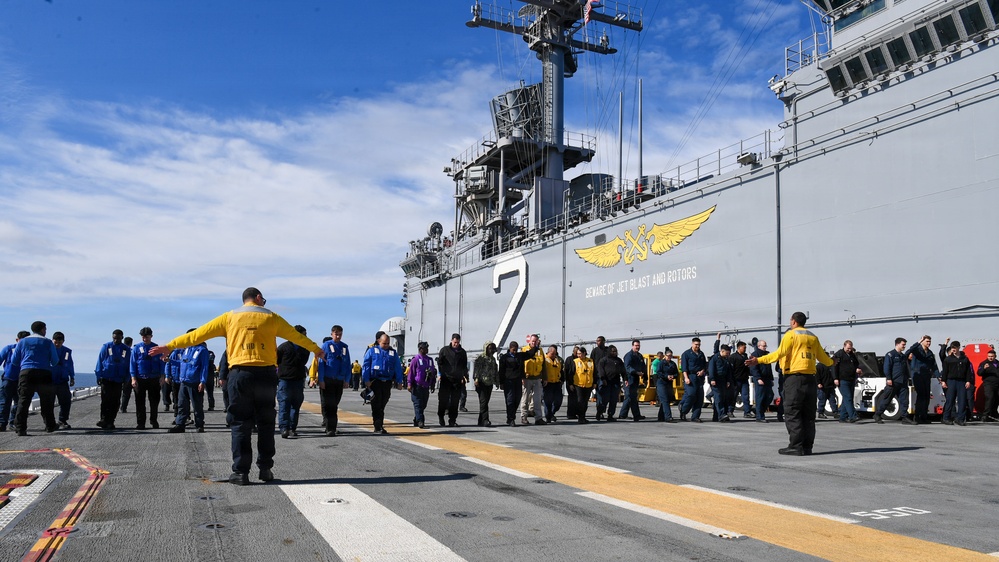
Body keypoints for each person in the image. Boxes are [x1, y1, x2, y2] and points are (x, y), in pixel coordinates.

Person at [149, 287, 323, 486]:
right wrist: (316, 349)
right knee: (266, 422)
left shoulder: (229, 317)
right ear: (258, 298)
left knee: (240, 423)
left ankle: (240, 472)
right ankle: (265, 469)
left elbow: (197, 335)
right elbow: (295, 336)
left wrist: (169, 346)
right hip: (266, 375)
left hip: (240, 375)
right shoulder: (272, 317)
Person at [746, 312, 833, 456]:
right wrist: (832, 362)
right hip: (810, 380)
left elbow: (779, 354)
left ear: (793, 322)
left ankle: (796, 446)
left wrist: (758, 360)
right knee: (808, 415)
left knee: (793, 412)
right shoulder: (813, 337)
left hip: (794, 379)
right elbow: (824, 358)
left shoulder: (790, 335)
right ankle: (807, 447)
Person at [10, 321, 59, 436]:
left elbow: (14, 361)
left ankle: (21, 428)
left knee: (23, 400)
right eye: (45, 329)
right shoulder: (48, 342)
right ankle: (50, 425)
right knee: (46, 401)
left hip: (26, 372)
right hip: (44, 373)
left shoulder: (23, 341)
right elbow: (55, 361)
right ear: (42, 330)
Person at [168, 333, 210, 433]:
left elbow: (204, 366)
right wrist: (170, 361)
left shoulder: (202, 350)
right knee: (182, 404)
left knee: (197, 405)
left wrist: (202, 381)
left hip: (195, 382)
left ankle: (199, 425)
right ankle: (180, 424)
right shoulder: (187, 349)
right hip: (184, 382)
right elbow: (183, 363)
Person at [362, 333, 403, 434]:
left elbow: (398, 367)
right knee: (376, 404)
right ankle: (378, 426)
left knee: (382, 404)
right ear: (379, 341)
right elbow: (366, 365)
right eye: (384, 343)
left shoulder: (393, 353)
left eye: (388, 343)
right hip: (375, 381)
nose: (386, 345)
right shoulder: (372, 351)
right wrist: (366, 379)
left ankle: (379, 424)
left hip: (387, 382)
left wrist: (399, 381)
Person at [275, 325, 310, 438]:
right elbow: (276, 360)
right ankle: (284, 428)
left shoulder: (305, 349)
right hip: (285, 380)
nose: (305, 337)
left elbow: (304, 361)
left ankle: (292, 428)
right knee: (284, 404)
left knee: (296, 405)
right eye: (303, 335)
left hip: (298, 381)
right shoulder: (283, 347)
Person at [318, 326, 351, 436]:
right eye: (336, 334)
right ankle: (330, 428)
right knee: (329, 405)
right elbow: (321, 364)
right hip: (328, 380)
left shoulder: (344, 347)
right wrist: (321, 380)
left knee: (335, 404)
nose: (338, 336)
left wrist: (347, 379)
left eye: (340, 334)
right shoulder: (326, 346)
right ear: (332, 334)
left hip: (339, 380)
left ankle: (332, 427)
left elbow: (347, 364)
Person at [130, 327, 165, 430]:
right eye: (143, 337)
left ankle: (154, 420)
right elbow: (133, 364)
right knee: (140, 402)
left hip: (154, 378)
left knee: (154, 402)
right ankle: (141, 423)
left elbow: (161, 363)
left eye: (147, 337)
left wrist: (162, 376)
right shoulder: (136, 348)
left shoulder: (156, 348)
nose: (145, 339)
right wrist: (133, 378)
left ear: (151, 336)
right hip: (140, 378)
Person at [95, 329, 130, 431]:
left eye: (118, 338)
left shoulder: (126, 349)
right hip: (106, 378)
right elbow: (100, 361)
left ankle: (111, 421)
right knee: (105, 400)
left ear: (122, 338)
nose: (116, 340)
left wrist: (127, 378)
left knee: (115, 401)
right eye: (114, 338)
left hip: (118, 380)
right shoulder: (106, 347)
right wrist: (98, 375)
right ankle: (103, 419)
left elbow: (129, 365)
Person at [875, 338, 913, 424]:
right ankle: (877, 414)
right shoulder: (890, 355)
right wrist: (889, 378)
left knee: (904, 401)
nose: (904, 346)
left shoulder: (903, 356)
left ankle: (905, 417)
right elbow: (887, 367)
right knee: (887, 400)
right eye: (903, 344)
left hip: (902, 382)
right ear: (897, 344)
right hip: (893, 381)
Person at [0, 331, 30, 432]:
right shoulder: (9, 349)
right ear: (17, 340)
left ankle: (13, 422)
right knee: (4, 402)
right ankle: (2, 423)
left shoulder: (30, 351)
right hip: (8, 380)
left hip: (22, 380)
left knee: (19, 403)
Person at [437, 333, 469, 427]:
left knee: (455, 401)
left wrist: (465, 376)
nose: (456, 344)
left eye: (457, 342)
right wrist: (440, 373)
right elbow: (440, 363)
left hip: (457, 380)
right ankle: (441, 417)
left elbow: (464, 366)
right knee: (443, 400)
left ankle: (452, 420)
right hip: (446, 379)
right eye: (455, 342)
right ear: (451, 340)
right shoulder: (444, 350)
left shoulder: (462, 352)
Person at [939, 341, 973, 426]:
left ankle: (960, 419)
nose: (953, 349)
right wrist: (943, 381)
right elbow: (945, 371)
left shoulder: (964, 359)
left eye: (955, 348)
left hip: (961, 381)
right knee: (950, 400)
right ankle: (946, 417)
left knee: (962, 400)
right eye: (952, 348)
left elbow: (968, 371)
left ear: (958, 347)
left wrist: (968, 381)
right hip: (951, 381)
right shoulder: (948, 359)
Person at [906, 336, 938, 424]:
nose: (929, 343)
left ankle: (924, 417)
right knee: (921, 396)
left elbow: (934, 366)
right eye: (927, 341)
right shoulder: (917, 350)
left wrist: (938, 376)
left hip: (926, 376)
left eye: (930, 341)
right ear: (922, 341)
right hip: (918, 375)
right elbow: (909, 350)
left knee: (926, 396)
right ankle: (917, 416)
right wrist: (918, 342)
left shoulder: (930, 353)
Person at [407, 342, 437, 429]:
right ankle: (421, 421)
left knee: (423, 405)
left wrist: (433, 384)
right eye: (425, 348)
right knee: (418, 404)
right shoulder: (415, 360)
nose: (427, 350)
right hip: (417, 386)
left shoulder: (430, 360)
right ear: (420, 349)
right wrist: (409, 383)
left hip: (426, 386)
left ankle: (416, 419)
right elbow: (411, 373)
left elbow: (433, 373)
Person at [832, 340, 861, 423]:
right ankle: (853, 416)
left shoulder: (852, 355)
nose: (849, 350)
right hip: (842, 380)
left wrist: (858, 369)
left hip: (851, 379)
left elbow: (856, 364)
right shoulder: (839, 354)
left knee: (848, 398)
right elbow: (833, 366)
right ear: (844, 346)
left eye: (850, 348)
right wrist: (835, 378)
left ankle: (843, 417)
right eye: (848, 348)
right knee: (848, 397)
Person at [519, 335, 546, 425]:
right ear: (529, 341)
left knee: (537, 399)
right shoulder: (524, 350)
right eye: (532, 341)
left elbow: (544, 365)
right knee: (525, 398)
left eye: (535, 341)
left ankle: (538, 418)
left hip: (537, 378)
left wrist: (545, 378)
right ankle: (524, 417)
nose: (534, 343)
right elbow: (521, 365)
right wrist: (522, 377)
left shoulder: (540, 351)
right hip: (527, 378)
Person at [680, 337, 707, 422]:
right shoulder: (686, 354)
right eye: (696, 344)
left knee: (699, 397)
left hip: (699, 378)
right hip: (690, 376)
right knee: (691, 395)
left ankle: (695, 416)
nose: (697, 346)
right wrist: (686, 378)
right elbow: (684, 368)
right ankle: (683, 410)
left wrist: (702, 371)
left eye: (699, 345)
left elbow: (705, 365)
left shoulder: (701, 354)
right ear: (692, 344)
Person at [498, 341, 525, 426]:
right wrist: (501, 382)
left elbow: (529, 354)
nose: (515, 351)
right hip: (508, 381)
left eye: (516, 350)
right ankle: (511, 418)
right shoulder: (504, 358)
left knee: (517, 399)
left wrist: (535, 347)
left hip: (517, 380)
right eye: (513, 350)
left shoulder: (519, 356)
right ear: (510, 348)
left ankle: (511, 416)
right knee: (510, 400)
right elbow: (501, 371)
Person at [51, 332, 75, 430]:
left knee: (66, 401)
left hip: (62, 380)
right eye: (56, 342)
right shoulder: (48, 350)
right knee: (49, 403)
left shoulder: (67, 352)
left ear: (63, 341)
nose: (57, 344)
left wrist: (72, 377)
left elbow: (70, 364)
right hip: (50, 380)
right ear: (53, 340)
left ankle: (62, 420)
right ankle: (50, 422)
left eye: (60, 342)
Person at [619, 339, 645, 421]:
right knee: (629, 396)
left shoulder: (640, 356)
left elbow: (643, 366)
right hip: (629, 378)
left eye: (638, 345)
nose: (637, 347)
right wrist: (636, 372)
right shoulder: (628, 356)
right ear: (632, 346)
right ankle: (625, 414)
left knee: (632, 397)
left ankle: (630, 415)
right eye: (636, 345)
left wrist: (644, 376)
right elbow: (627, 367)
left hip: (636, 378)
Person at [472, 342, 498, 427]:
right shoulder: (481, 358)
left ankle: (481, 420)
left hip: (489, 383)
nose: (491, 350)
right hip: (481, 383)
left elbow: (495, 371)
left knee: (485, 402)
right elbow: (477, 369)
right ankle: (485, 420)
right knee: (483, 402)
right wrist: (476, 379)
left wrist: (497, 381)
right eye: (490, 348)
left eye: (492, 349)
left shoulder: (493, 359)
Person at [708, 338, 733, 423]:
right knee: (718, 398)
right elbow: (711, 369)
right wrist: (712, 379)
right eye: (727, 353)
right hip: (715, 381)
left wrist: (728, 381)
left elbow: (728, 371)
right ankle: (722, 414)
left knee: (722, 398)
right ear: (722, 351)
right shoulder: (715, 358)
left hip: (723, 381)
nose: (728, 355)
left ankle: (716, 417)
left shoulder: (726, 359)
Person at [596, 345, 624, 421]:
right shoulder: (603, 360)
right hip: (606, 382)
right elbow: (600, 370)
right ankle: (600, 412)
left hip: (616, 382)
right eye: (613, 351)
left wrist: (625, 379)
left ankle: (610, 415)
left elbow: (623, 370)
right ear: (609, 352)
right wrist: (603, 379)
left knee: (614, 400)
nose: (615, 353)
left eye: (616, 351)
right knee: (604, 399)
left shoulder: (618, 361)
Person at [567, 347, 595, 423]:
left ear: (584, 353)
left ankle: (583, 416)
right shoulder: (575, 362)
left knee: (585, 402)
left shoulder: (591, 361)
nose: (578, 355)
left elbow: (594, 373)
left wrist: (595, 383)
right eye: (578, 354)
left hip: (588, 385)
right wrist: (570, 384)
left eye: (580, 354)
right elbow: (570, 373)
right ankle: (580, 417)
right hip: (578, 384)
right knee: (580, 401)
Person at [751, 340, 774, 423]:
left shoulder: (767, 355)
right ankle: (759, 416)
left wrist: (771, 379)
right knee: (760, 397)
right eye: (764, 346)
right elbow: (753, 368)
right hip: (760, 378)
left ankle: (759, 411)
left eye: (765, 346)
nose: (765, 347)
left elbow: (769, 368)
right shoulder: (755, 355)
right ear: (759, 346)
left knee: (770, 396)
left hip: (767, 379)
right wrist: (758, 378)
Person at [654, 348, 678, 422]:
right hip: (661, 383)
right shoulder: (661, 363)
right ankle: (668, 417)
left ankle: (660, 417)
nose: (669, 357)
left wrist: (673, 376)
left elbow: (676, 373)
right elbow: (658, 372)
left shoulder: (673, 364)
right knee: (665, 400)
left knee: (667, 400)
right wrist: (666, 376)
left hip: (669, 384)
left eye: (671, 356)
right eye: (668, 356)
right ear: (665, 355)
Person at [977, 349, 999, 422]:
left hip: (997, 383)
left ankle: (994, 414)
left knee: (996, 399)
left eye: (992, 356)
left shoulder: (997, 363)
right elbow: (979, 373)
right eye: (989, 356)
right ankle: (986, 415)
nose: (990, 358)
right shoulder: (984, 363)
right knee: (989, 398)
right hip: (988, 384)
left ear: (995, 356)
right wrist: (984, 368)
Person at [730, 341, 751, 418]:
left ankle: (747, 412)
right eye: (744, 348)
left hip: (744, 379)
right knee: (733, 396)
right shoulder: (733, 357)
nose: (745, 349)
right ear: (739, 348)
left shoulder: (745, 356)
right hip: (736, 380)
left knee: (746, 396)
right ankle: (730, 411)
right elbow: (731, 369)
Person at [120, 336, 133, 413]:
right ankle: (123, 407)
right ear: (131, 343)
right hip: (129, 374)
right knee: (126, 393)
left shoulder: (120, 350)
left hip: (119, 374)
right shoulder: (131, 351)